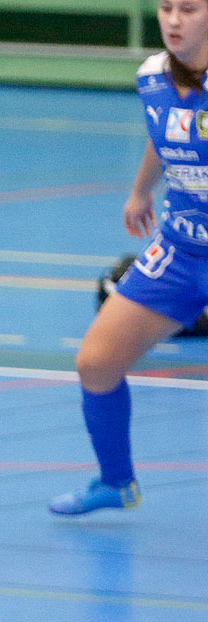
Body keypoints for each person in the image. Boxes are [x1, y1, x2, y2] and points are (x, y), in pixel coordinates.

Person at [50, 0, 208, 515]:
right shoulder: (153, 76)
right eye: (166, 7)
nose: (174, 19)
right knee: (96, 365)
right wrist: (141, 191)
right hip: (182, 251)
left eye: (189, 8)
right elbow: (166, 134)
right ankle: (116, 483)